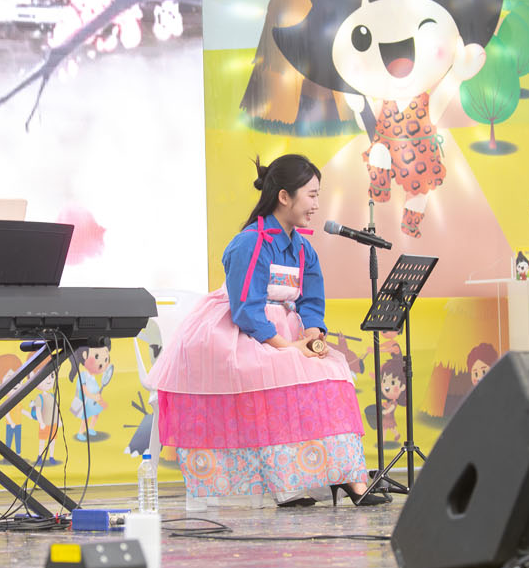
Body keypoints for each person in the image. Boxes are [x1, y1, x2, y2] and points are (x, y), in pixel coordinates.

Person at [148, 154, 377, 508]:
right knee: (282, 369)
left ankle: (344, 474)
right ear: (284, 197)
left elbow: (311, 299)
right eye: (311, 195)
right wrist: (287, 346)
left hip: (283, 332)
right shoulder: (250, 243)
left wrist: (312, 333)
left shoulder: (302, 248)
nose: (316, 205)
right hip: (239, 334)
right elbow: (246, 308)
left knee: (333, 369)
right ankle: (288, 483)